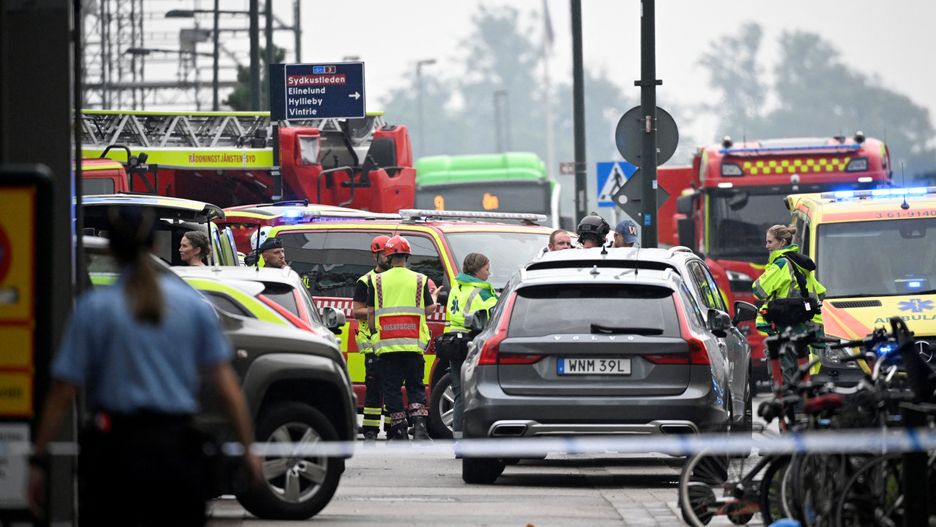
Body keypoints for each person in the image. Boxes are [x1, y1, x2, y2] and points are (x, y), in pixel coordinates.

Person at [29, 205, 261, 526]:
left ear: (111, 249)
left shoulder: (94, 309)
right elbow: (227, 390)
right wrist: (248, 450)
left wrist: (37, 461)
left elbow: (62, 392)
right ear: (155, 247)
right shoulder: (191, 307)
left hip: (114, 459)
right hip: (176, 456)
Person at [367, 235, 435, 441]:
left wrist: (373, 332)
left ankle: (399, 428)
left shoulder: (376, 280)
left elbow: (370, 313)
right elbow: (429, 308)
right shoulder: (420, 279)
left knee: (392, 388)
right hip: (413, 344)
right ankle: (420, 427)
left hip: (387, 346)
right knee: (415, 386)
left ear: (388, 256)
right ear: (407, 256)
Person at [752, 224, 827, 382]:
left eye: (770, 242)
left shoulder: (781, 264)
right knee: (801, 373)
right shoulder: (800, 264)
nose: (767, 246)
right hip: (803, 328)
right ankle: (801, 404)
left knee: (782, 375)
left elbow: (758, 291)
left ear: (782, 243)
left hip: (783, 328)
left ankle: (786, 405)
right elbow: (821, 292)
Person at [441, 253, 497, 439]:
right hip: (470, 343)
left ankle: (459, 442)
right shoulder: (481, 291)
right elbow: (496, 317)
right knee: (476, 394)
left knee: (459, 394)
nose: (489, 274)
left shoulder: (457, 286)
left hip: (452, 342)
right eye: (487, 269)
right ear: (477, 270)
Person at [353, 235, 391, 442]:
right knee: (374, 389)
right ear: (375, 255)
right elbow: (356, 310)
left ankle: (393, 428)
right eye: (385, 253)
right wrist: (377, 311)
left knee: (393, 388)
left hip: (394, 341)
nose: (389, 257)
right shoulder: (365, 282)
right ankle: (370, 430)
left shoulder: (398, 280)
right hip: (373, 344)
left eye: (391, 253)